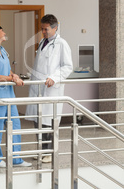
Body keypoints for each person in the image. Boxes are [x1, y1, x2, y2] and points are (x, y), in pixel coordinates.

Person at [0, 24, 32, 168]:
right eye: (2, 31)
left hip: (9, 94)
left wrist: (14, 75)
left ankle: (15, 158)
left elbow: (8, 70)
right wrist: (12, 79)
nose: (5, 33)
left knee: (15, 125)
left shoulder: (2, 50)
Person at [25, 14, 73, 163]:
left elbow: (67, 66)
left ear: (55, 28)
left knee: (48, 121)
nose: (43, 32)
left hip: (50, 88)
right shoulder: (43, 42)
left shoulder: (61, 44)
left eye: (46, 29)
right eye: (42, 29)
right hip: (38, 87)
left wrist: (54, 77)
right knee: (38, 122)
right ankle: (42, 151)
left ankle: (50, 153)